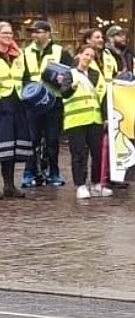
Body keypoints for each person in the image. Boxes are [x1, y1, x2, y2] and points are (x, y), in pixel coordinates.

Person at [21, 20, 71, 188]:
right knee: (32, 139)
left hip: (53, 103)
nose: (34, 35)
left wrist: (63, 81)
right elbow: (21, 76)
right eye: (33, 32)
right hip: (32, 103)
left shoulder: (60, 51)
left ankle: (54, 172)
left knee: (52, 140)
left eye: (38, 31)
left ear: (48, 33)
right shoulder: (25, 52)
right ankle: (29, 172)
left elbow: (71, 74)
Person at [62, 44, 111, 200]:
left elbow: (103, 97)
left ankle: (97, 184)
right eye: (86, 54)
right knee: (78, 155)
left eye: (91, 56)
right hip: (75, 120)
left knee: (97, 154)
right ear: (79, 55)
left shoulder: (96, 75)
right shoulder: (68, 74)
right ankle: (80, 185)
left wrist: (105, 117)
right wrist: (71, 87)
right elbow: (63, 93)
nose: (88, 58)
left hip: (94, 119)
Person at [0, 21, 32, 199]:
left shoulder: (19, 54)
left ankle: (9, 186)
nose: (8, 36)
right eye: (4, 33)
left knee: (10, 148)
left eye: (10, 33)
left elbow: (25, 77)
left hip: (16, 104)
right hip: (1, 104)